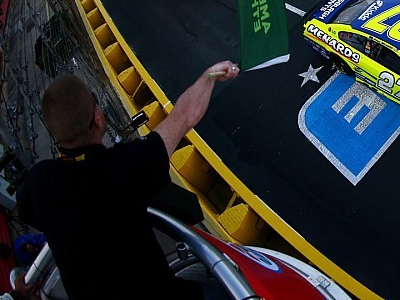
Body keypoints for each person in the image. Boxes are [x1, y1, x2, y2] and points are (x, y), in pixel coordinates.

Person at [16, 61, 240, 299]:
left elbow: (32, 210)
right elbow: (184, 117)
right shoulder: (124, 167)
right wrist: (209, 76)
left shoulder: (38, 182)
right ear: (98, 119)